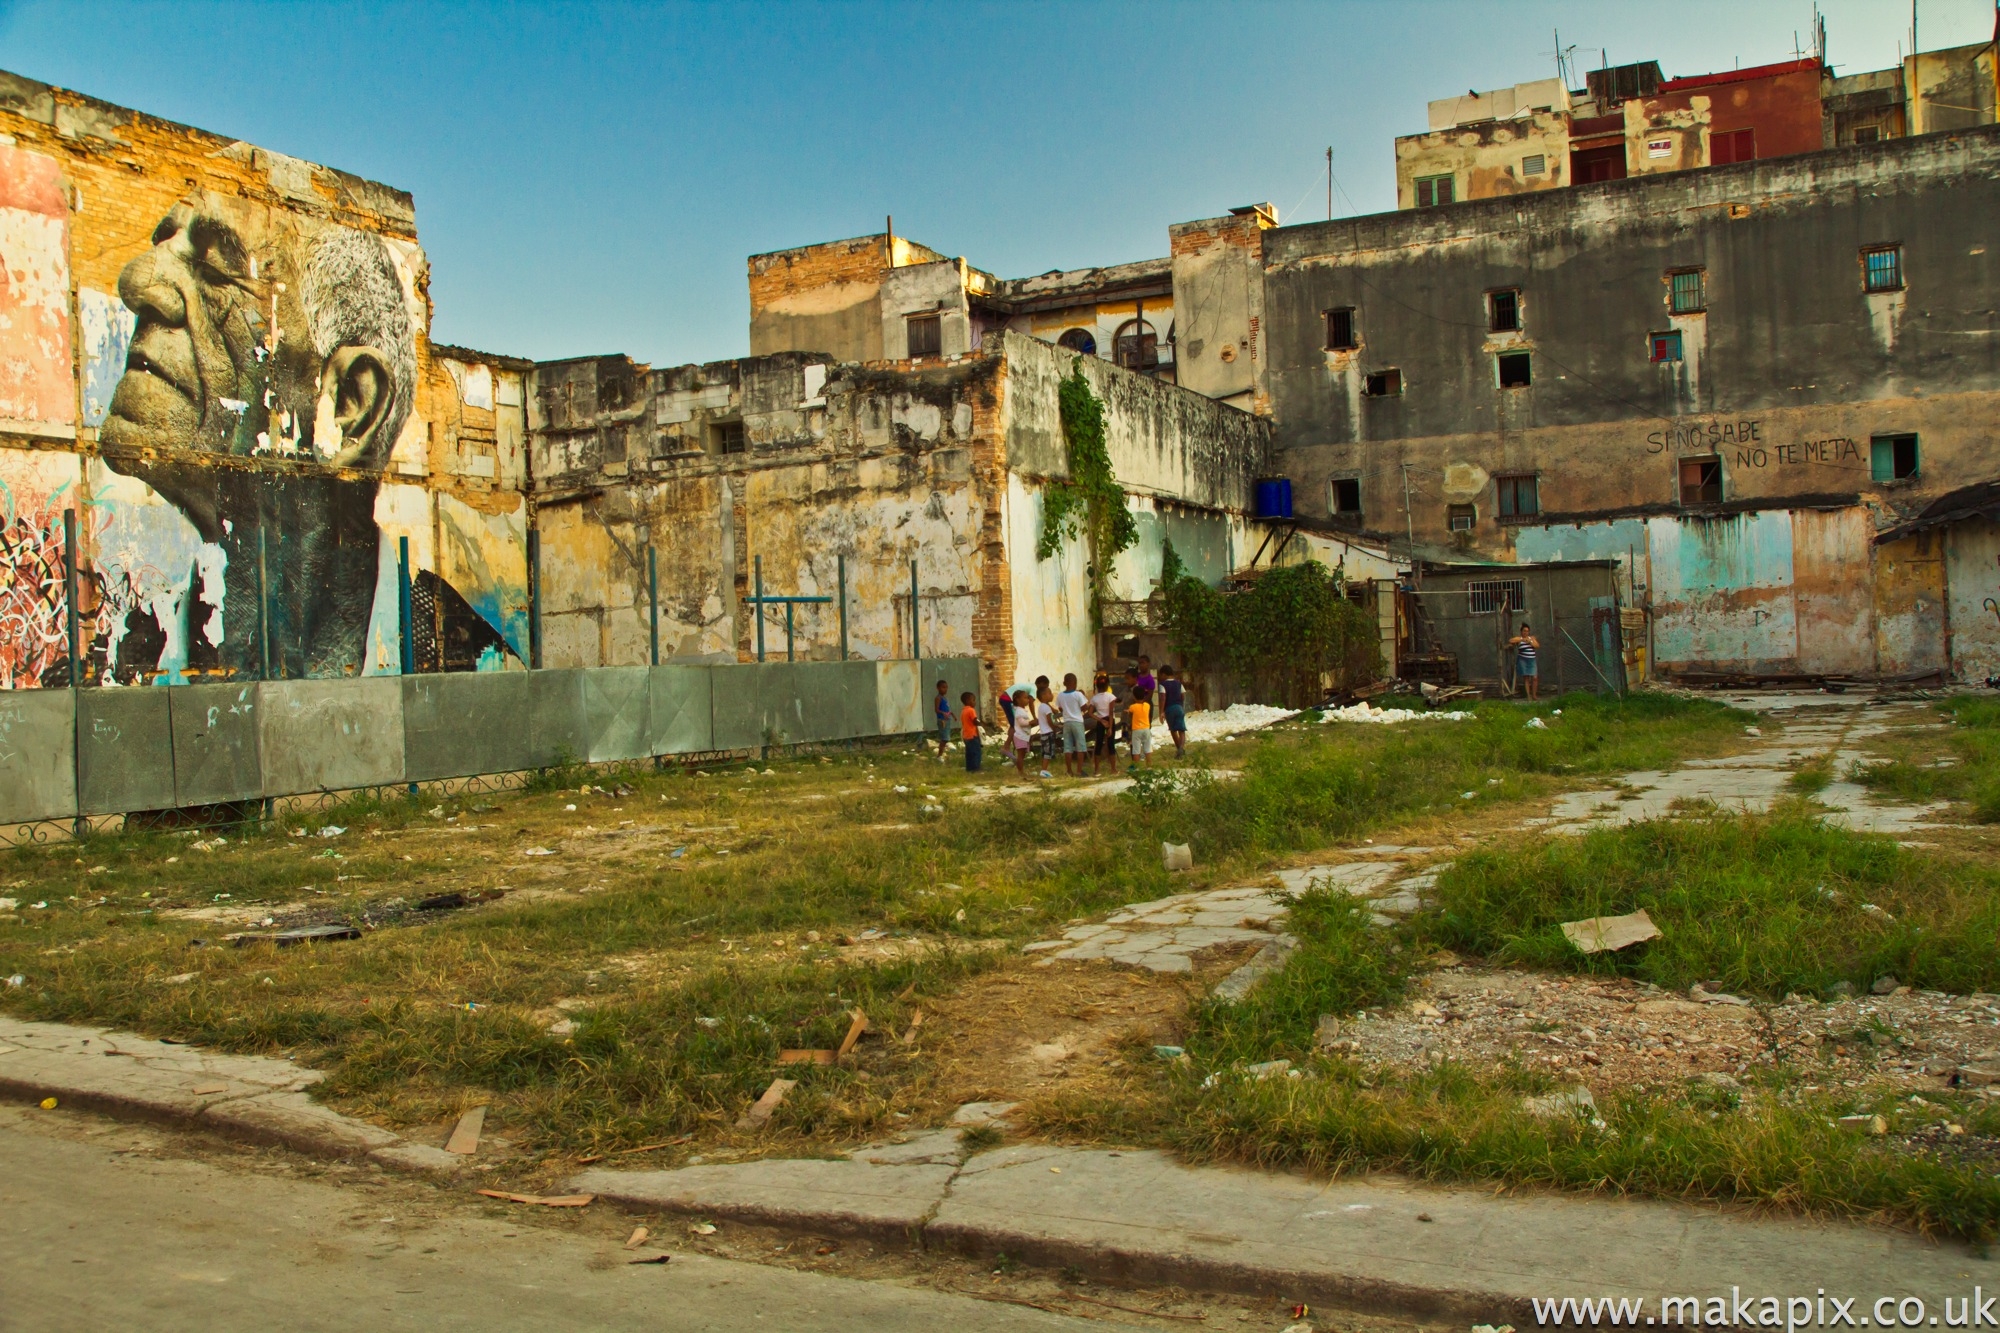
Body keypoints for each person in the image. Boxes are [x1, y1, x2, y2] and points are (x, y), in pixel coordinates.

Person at [1056, 672, 1089, 777]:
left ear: (1064, 683)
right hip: (1077, 722)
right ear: (1075, 683)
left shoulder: (1060, 695)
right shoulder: (1078, 694)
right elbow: (1085, 708)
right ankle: (1079, 770)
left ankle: (1069, 770)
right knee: (1080, 747)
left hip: (1067, 722)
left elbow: (1060, 708)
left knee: (1068, 747)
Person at [1088, 672, 1118, 776]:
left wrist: (1100, 720)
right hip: (1109, 721)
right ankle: (1113, 769)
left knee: (1099, 745)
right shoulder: (1111, 697)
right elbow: (1110, 712)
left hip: (1100, 721)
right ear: (1107, 685)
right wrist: (1109, 726)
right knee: (1110, 744)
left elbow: (1090, 713)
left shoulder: (1094, 698)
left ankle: (1097, 770)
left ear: (1097, 686)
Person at [1160, 663, 1188, 759]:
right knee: (1182, 730)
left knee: (1173, 730)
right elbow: (1183, 695)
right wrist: (1180, 704)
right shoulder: (1178, 683)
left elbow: (1163, 698)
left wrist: (1161, 712)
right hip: (1179, 708)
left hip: (1169, 709)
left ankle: (1178, 749)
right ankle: (1181, 748)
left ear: (1164, 674)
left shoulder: (1162, 685)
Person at [1508, 621, 1542, 701]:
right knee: (1526, 678)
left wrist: (1530, 641)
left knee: (1534, 678)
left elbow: (1537, 646)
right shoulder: (1519, 639)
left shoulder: (1532, 638)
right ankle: (1528, 695)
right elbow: (1511, 640)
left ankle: (1534, 695)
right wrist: (1522, 639)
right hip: (1523, 659)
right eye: (1524, 631)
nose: (1526, 632)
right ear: (1521, 631)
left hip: (1532, 660)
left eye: (1527, 631)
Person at [1033, 683, 1058, 778]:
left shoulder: (1041, 707)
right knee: (1048, 753)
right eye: (1050, 693)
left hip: (1043, 733)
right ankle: (1044, 770)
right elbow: (1049, 720)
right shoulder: (1047, 708)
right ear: (1043, 696)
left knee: (1044, 752)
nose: (1051, 695)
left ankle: (1043, 769)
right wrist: (1054, 728)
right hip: (1048, 732)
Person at [1009, 688, 1036, 776]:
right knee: (1020, 755)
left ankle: (1021, 770)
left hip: (1024, 736)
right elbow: (1021, 723)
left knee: (1022, 755)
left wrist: (1032, 724)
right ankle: (1020, 772)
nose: (1027, 700)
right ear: (1018, 699)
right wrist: (1030, 722)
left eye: (1027, 698)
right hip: (1020, 736)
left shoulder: (1022, 710)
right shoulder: (1018, 711)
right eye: (1025, 698)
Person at [1127, 686, 1155, 766]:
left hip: (1136, 729)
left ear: (1134, 696)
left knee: (1136, 750)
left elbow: (1130, 715)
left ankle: (1137, 767)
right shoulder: (1147, 705)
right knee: (1148, 748)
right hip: (1146, 729)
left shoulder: (1132, 707)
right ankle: (1149, 766)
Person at [960, 691, 982, 773]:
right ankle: (976, 768)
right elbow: (975, 721)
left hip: (966, 735)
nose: (975, 702)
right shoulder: (971, 710)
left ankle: (969, 768)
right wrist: (980, 723)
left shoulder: (963, 711)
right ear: (968, 700)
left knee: (969, 753)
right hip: (973, 735)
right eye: (973, 700)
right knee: (976, 752)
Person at [933, 679, 953, 760]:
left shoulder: (944, 698)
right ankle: (939, 756)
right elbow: (936, 710)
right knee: (944, 739)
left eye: (946, 687)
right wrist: (943, 713)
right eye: (943, 687)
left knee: (946, 738)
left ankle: (940, 754)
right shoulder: (938, 698)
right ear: (938, 688)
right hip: (942, 721)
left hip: (947, 720)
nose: (945, 689)